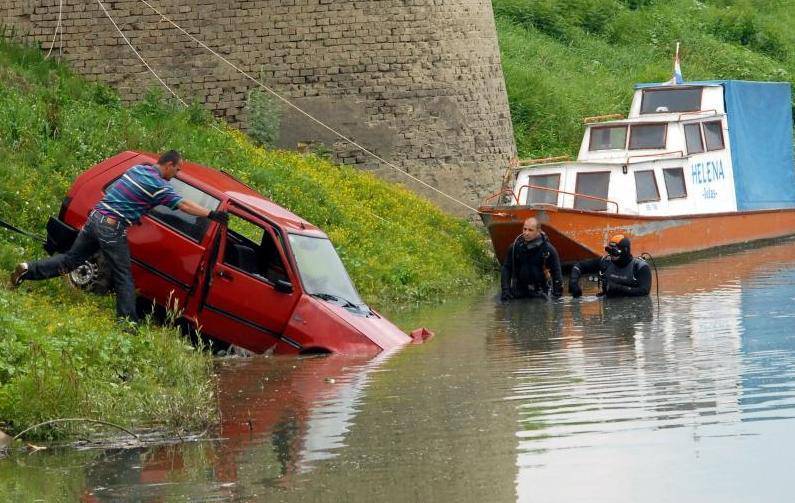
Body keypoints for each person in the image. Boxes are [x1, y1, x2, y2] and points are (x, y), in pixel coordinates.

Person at [9, 150, 228, 322]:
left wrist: (135, 213)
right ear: (168, 165)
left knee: (70, 261)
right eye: (177, 170)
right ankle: (127, 324)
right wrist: (212, 214)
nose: (177, 174)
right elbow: (184, 206)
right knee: (124, 276)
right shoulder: (158, 186)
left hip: (95, 218)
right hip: (111, 227)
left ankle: (27, 269)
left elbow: (129, 196)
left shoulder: (138, 170)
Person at [568, 234, 651, 298]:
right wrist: (573, 282)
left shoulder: (640, 267)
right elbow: (579, 266)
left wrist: (618, 288)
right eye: (609, 251)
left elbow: (644, 291)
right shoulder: (606, 262)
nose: (611, 255)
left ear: (625, 251)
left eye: (614, 252)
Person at [500, 217, 563, 301]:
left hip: (541, 292)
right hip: (519, 290)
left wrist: (556, 296)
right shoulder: (515, 247)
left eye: (530, 230)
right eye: (524, 229)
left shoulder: (548, 250)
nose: (526, 233)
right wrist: (505, 290)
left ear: (538, 231)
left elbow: (557, 273)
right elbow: (506, 268)